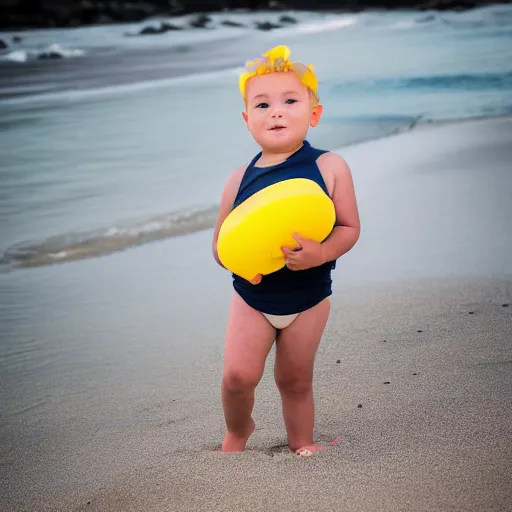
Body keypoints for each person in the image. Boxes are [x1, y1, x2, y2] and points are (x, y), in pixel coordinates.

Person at [212, 45, 360, 456]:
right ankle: (237, 432)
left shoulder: (329, 167)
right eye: (262, 104)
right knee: (238, 377)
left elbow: (349, 228)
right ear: (247, 120)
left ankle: (301, 442)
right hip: (253, 295)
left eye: (290, 101)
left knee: (294, 379)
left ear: (314, 113)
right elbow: (221, 246)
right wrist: (240, 262)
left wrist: (322, 252)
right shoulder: (237, 179)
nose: (275, 112)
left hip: (308, 298)